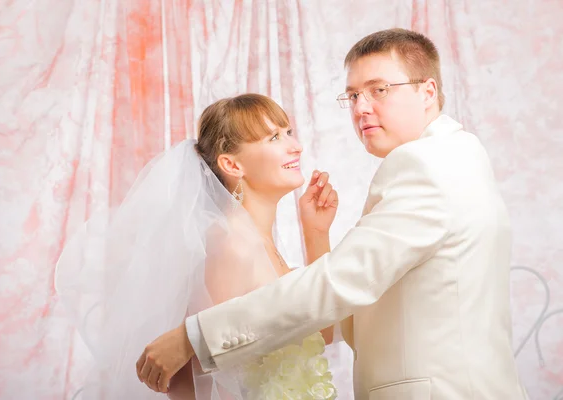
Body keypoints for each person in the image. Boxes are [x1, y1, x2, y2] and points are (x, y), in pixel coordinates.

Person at [135, 28, 529, 399]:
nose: (361, 108)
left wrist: (194, 338)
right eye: (353, 95)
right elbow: (348, 308)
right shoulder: (456, 156)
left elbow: (340, 285)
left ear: (428, 92)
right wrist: (316, 235)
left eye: (379, 90)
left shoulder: (428, 167)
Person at [55, 93, 345, 399]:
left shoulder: (257, 241)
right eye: (274, 137)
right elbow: (187, 375)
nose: (295, 145)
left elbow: (318, 331)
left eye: (288, 132)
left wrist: (316, 234)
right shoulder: (232, 244)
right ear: (231, 164)